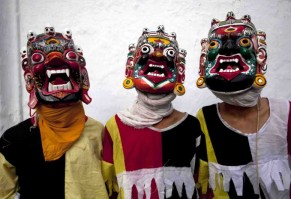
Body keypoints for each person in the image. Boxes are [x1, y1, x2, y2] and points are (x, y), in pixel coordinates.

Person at [195, 12, 291, 198]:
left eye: (242, 42)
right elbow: (202, 183)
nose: (227, 49)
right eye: (214, 45)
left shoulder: (287, 113)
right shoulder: (205, 118)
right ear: (204, 61)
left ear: (260, 55)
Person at [0, 26, 108, 199]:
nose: (55, 59)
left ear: (82, 76)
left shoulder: (99, 133)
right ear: (29, 79)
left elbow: (114, 186)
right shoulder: (14, 139)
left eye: (69, 56)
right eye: (39, 57)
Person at [101, 25, 201, 199]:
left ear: (180, 72)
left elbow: (201, 180)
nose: (157, 55)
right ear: (130, 67)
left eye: (169, 54)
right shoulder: (115, 126)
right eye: (146, 51)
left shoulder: (191, 125)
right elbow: (110, 187)